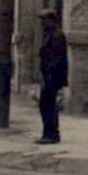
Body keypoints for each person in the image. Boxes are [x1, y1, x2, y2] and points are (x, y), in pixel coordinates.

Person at [35, 8, 69, 145]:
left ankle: (51, 134)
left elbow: (55, 59)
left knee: (48, 104)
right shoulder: (50, 34)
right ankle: (48, 133)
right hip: (48, 75)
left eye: (44, 20)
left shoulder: (57, 36)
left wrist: (49, 76)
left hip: (52, 76)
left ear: (51, 20)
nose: (42, 23)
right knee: (45, 105)